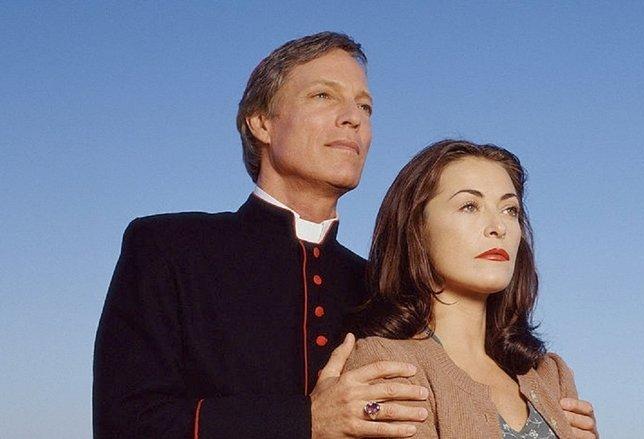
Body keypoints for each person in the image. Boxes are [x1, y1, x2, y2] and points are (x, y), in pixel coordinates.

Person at [93, 32, 429, 439]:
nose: (353, 117)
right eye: (323, 95)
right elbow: (125, 422)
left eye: (365, 106)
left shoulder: (381, 287)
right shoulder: (167, 247)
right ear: (262, 123)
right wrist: (306, 421)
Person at [345, 140, 599, 438]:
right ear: (417, 229)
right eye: (469, 206)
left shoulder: (550, 374)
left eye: (510, 210)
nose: (498, 227)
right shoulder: (388, 364)